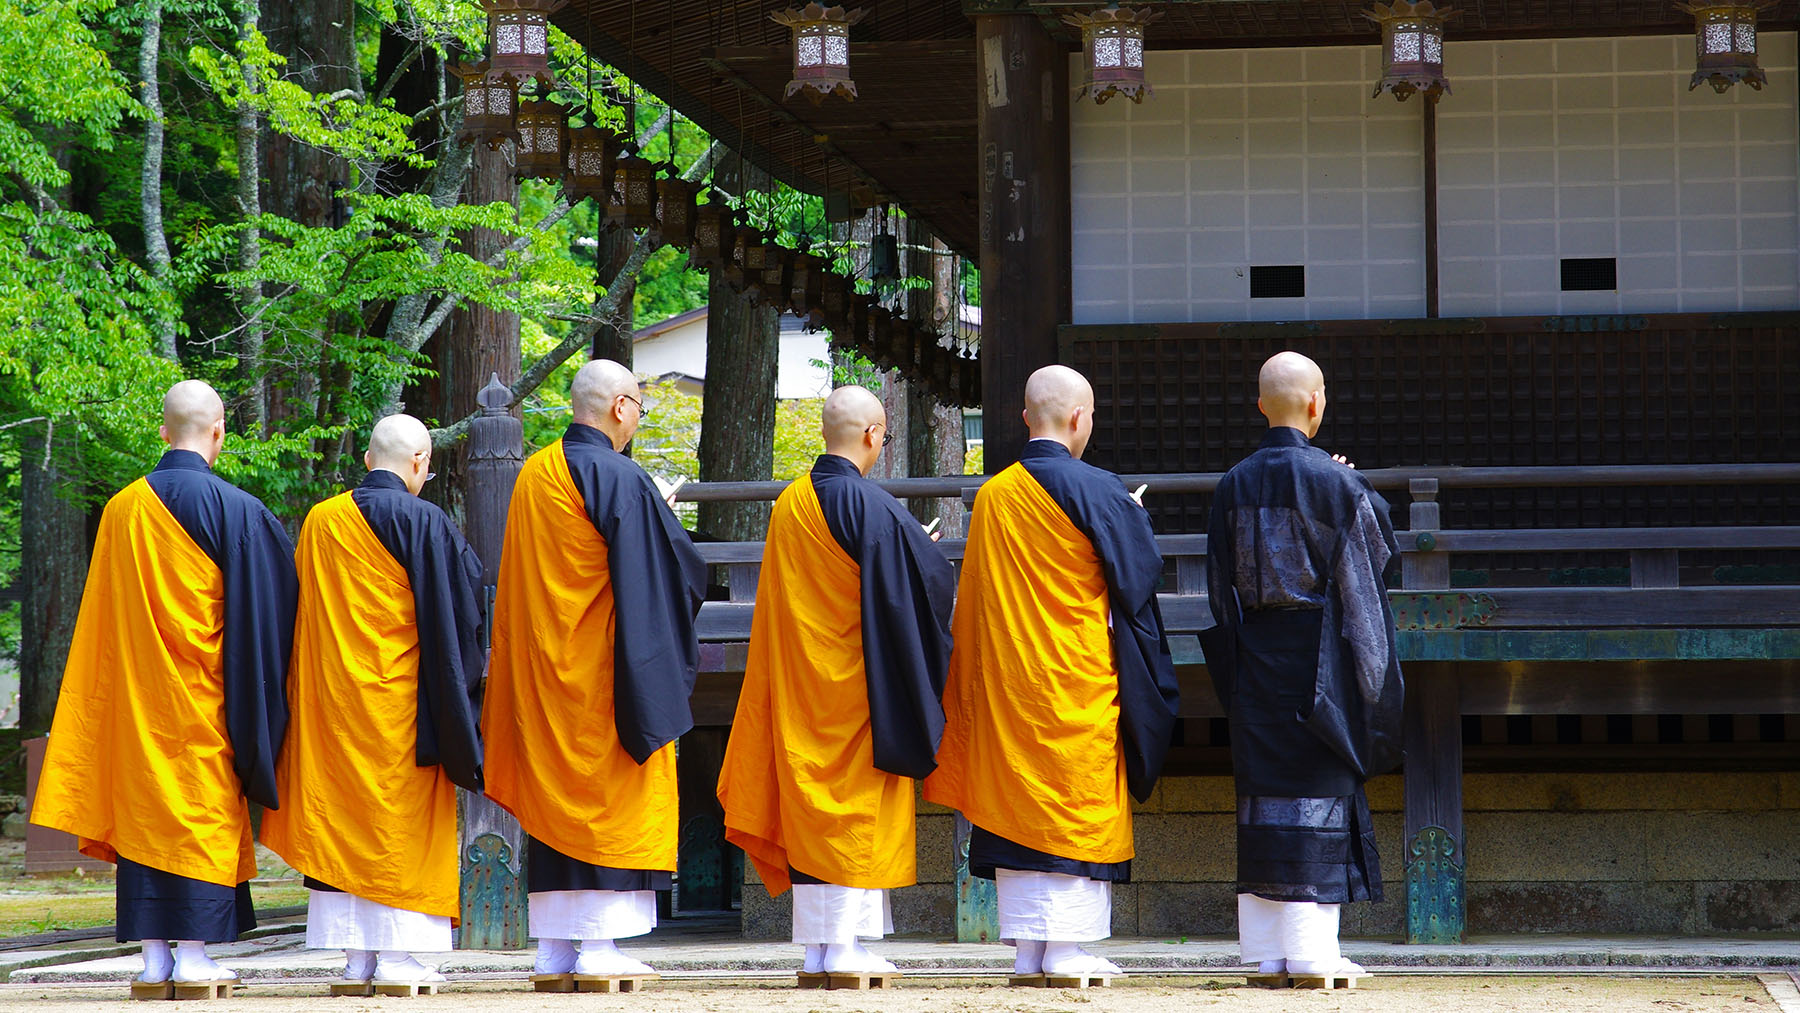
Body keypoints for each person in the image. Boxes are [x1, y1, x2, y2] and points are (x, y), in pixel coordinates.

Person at [31, 380, 297, 989]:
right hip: (205, 704)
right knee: (200, 816)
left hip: (136, 703)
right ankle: (196, 955)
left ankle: (154, 957)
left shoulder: (122, 510)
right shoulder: (236, 509)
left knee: (144, 821)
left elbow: (102, 618)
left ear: (162, 431)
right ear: (219, 433)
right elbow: (271, 615)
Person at [924, 365, 1180, 980]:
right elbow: (1139, 578)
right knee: (1073, 800)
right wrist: (1131, 517)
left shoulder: (993, 496)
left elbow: (979, 599)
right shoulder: (1099, 489)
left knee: (1014, 803)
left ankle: (1030, 951)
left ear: (1023, 419)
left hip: (1010, 687)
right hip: (1074, 682)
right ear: (1077, 419)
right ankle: (1063, 950)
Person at [717, 385, 955, 981]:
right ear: (874, 434)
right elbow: (927, 586)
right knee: (850, 813)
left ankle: (825, 948)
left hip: (800, 688)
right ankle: (841, 946)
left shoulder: (791, 503)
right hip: (855, 693)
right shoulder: (872, 506)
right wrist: (916, 551)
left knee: (811, 812)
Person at [482, 358, 706, 980]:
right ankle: (600, 945)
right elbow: (673, 575)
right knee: (607, 795)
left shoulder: (535, 474)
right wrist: (655, 515)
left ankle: (555, 946)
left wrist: (646, 517)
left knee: (556, 800)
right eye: (639, 405)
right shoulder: (618, 475)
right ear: (620, 407)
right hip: (603, 679)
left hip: (546, 675)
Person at [1200, 351, 1404, 986]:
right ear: (1316, 405)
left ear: (1262, 405)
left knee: (1265, 796)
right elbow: (1373, 564)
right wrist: (1373, 680)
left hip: (1256, 657)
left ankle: (1268, 951)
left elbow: (1218, 589)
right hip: (1320, 661)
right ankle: (1313, 953)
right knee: (1316, 793)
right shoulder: (1337, 484)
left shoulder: (1232, 483)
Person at [261, 414, 485, 989]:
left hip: (334, 709)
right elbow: (461, 617)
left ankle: (356, 957)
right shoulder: (426, 521)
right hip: (402, 710)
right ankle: (400, 956)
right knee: (399, 827)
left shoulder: (320, 521)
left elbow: (297, 613)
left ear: (366, 460)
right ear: (419, 462)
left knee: (342, 823)